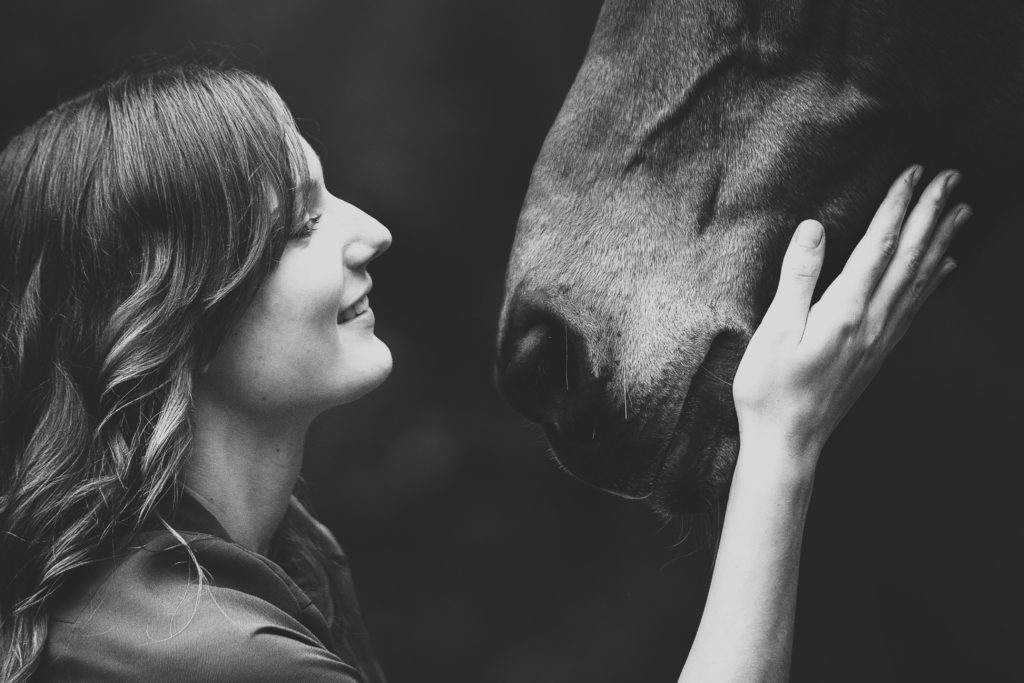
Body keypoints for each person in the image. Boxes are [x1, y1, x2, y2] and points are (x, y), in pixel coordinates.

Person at [0, 61, 966, 682]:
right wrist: (782, 447)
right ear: (175, 310)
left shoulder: (257, 568)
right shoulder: (214, 655)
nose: (368, 231)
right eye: (299, 222)